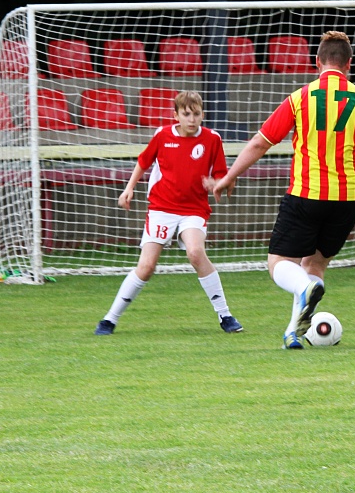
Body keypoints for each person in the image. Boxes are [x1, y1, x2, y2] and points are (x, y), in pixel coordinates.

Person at [208, 31, 355, 349]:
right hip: (349, 198)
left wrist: (229, 175)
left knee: (279, 263)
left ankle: (306, 291)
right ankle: (293, 332)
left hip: (307, 193)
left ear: (317, 63)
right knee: (315, 265)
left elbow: (260, 142)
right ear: (348, 64)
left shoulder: (301, 97)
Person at [94, 90, 243, 335]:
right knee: (146, 267)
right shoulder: (162, 136)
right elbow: (143, 161)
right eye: (186, 114)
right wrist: (129, 189)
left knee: (196, 253)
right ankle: (109, 319)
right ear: (176, 115)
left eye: (196, 114)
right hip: (162, 208)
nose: (192, 119)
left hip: (193, 209)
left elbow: (223, 176)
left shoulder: (212, 139)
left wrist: (218, 184)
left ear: (202, 114)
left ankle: (225, 315)